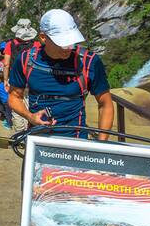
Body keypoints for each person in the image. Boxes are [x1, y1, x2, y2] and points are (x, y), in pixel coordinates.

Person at [7, 8, 114, 140]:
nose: (68, 47)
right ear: (43, 37)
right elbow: (14, 97)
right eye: (62, 42)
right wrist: (30, 116)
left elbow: (105, 104)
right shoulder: (26, 60)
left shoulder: (88, 62)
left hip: (76, 142)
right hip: (37, 141)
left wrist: (101, 145)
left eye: (71, 41)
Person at [1, 18, 37, 85]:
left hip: (16, 76)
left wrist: (5, 79)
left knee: (16, 95)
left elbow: (6, 64)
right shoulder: (36, 44)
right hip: (32, 76)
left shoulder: (10, 44)